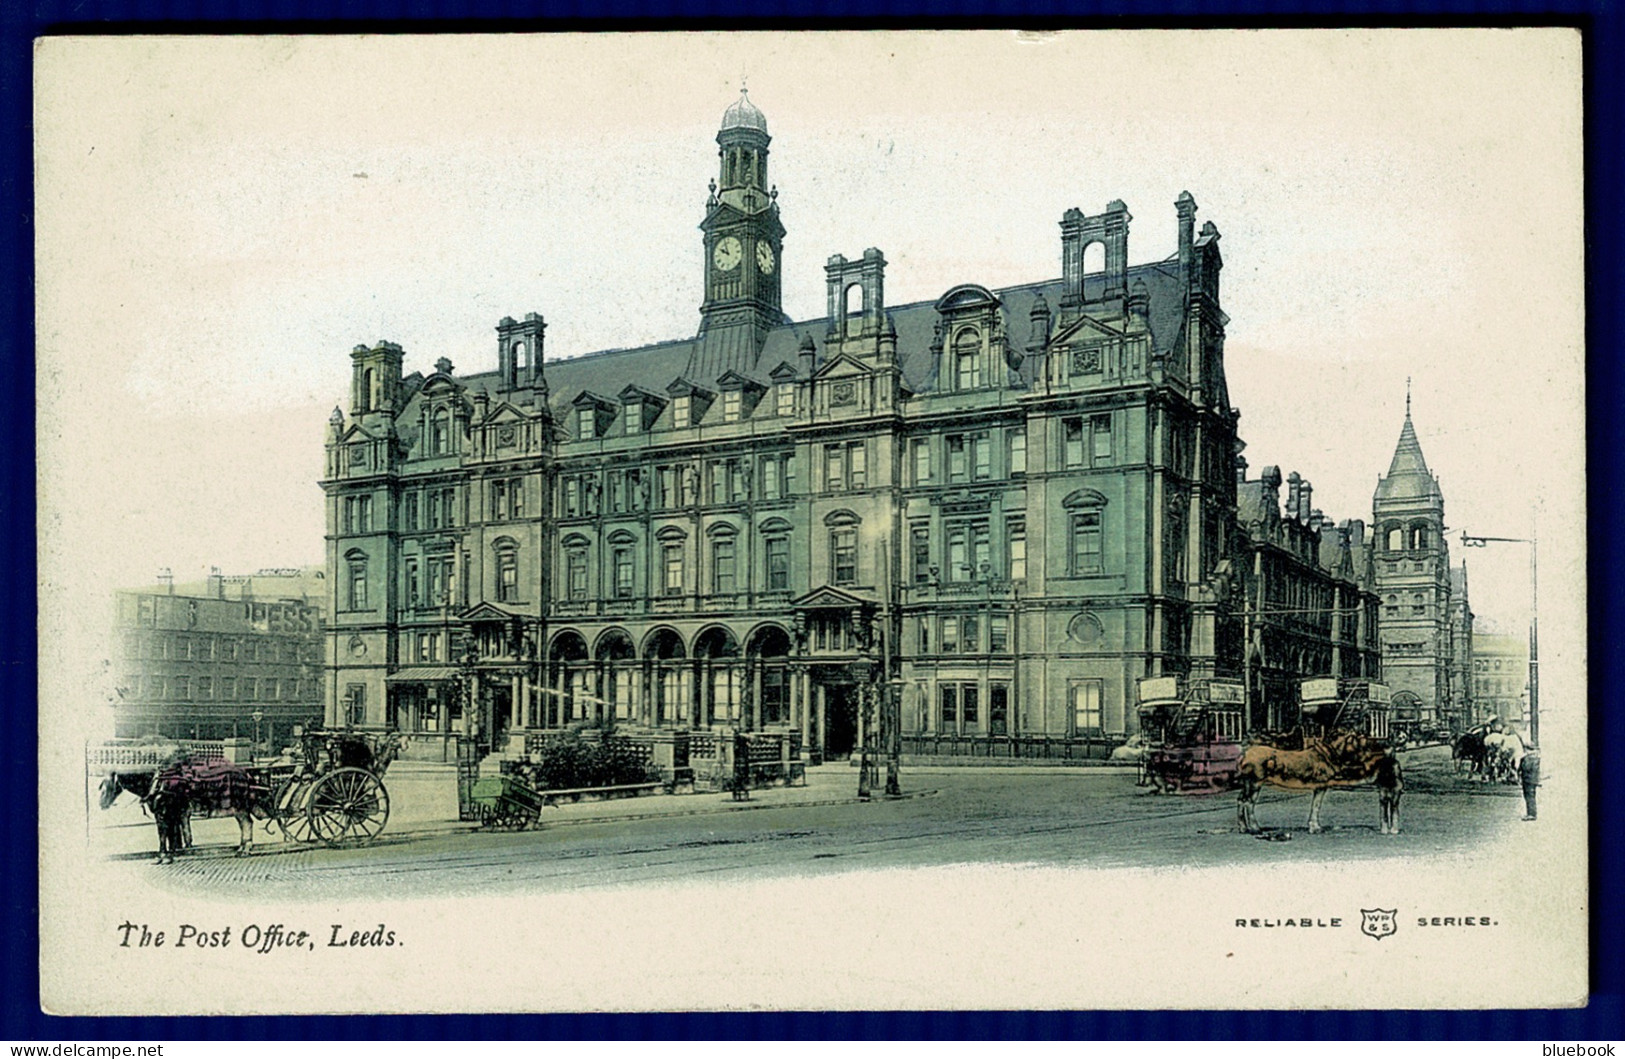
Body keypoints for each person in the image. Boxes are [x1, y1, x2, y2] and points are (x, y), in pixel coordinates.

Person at [1519, 745, 1541, 821]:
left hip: (1529, 780)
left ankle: (1532, 814)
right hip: (1528, 780)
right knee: (1528, 796)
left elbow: (1526, 767)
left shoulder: (1531, 759)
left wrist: (1523, 760)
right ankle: (1530, 813)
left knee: (1530, 797)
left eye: (1527, 749)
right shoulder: (1535, 758)